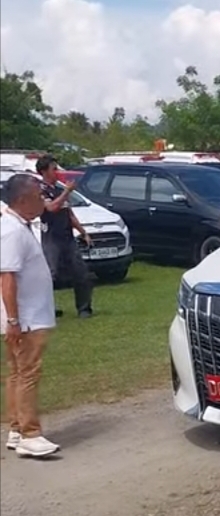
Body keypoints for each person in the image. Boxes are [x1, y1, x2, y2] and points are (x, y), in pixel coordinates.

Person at [1, 174, 61, 457]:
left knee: (17, 372)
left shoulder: (19, 226)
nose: (43, 201)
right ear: (23, 200)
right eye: (39, 196)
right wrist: (14, 320)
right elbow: (7, 278)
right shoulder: (12, 231)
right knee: (28, 374)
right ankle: (30, 433)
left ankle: (16, 429)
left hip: (27, 316)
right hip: (26, 318)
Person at [36, 155, 94, 318]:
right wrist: (67, 191)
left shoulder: (59, 189)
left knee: (81, 272)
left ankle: (84, 308)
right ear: (44, 171)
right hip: (51, 238)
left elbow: (69, 214)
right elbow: (51, 208)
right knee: (50, 275)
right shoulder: (41, 190)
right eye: (53, 169)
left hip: (68, 237)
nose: (57, 172)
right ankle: (46, 308)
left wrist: (83, 232)